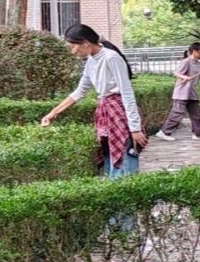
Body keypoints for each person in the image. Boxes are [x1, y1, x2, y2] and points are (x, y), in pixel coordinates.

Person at [41, 23, 147, 178]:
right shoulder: (91, 61)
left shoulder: (111, 57)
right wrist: (53, 113)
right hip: (106, 113)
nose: (73, 51)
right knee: (109, 156)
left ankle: (126, 189)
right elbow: (79, 91)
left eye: (73, 46)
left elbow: (126, 92)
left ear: (85, 42)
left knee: (124, 157)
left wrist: (135, 128)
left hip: (119, 113)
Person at [156, 42, 200, 141]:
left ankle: (198, 134)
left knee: (196, 115)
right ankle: (164, 132)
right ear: (195, 51)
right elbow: (176, 73)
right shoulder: (186, 62)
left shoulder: (199, 65)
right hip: (181, 94)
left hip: (192, 94)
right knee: (177, 114)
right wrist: (184, 77)